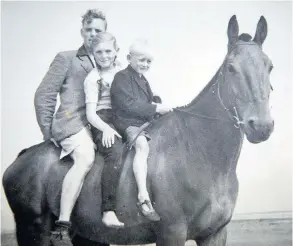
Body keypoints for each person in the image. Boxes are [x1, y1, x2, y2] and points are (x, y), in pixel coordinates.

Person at [34, 9, 107, 246]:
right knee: (85, 158)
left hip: (99, 126)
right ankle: (62, 225)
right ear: (82, 31)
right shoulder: (67, 58)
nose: (94, 34)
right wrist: (48, 132)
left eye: (99, 30)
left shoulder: (108, 59)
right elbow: (44, 95)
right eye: (89, 30)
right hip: (73, 124)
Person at [110, 39, 173, 221]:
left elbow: (148, 101)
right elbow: (127, 103)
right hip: (126, 122)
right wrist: (154, 109)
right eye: (141, 60)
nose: (145, 64)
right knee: (142, 146)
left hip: (141, 122)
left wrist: (159, 106)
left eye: (148, 61)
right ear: (129, 58)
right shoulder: (121, 77)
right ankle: (143, 196)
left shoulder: (143, 80)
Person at [84, 32, 124, 228]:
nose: (104, 55)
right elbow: (91, 114)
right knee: (115, 151)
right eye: (99, 52)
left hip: (123, 117)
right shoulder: (93, 78)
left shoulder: (123, 70)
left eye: (108, 51)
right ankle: (108, 210)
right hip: (103, 120)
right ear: (93, 53)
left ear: (116, 51)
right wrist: (106, 129)